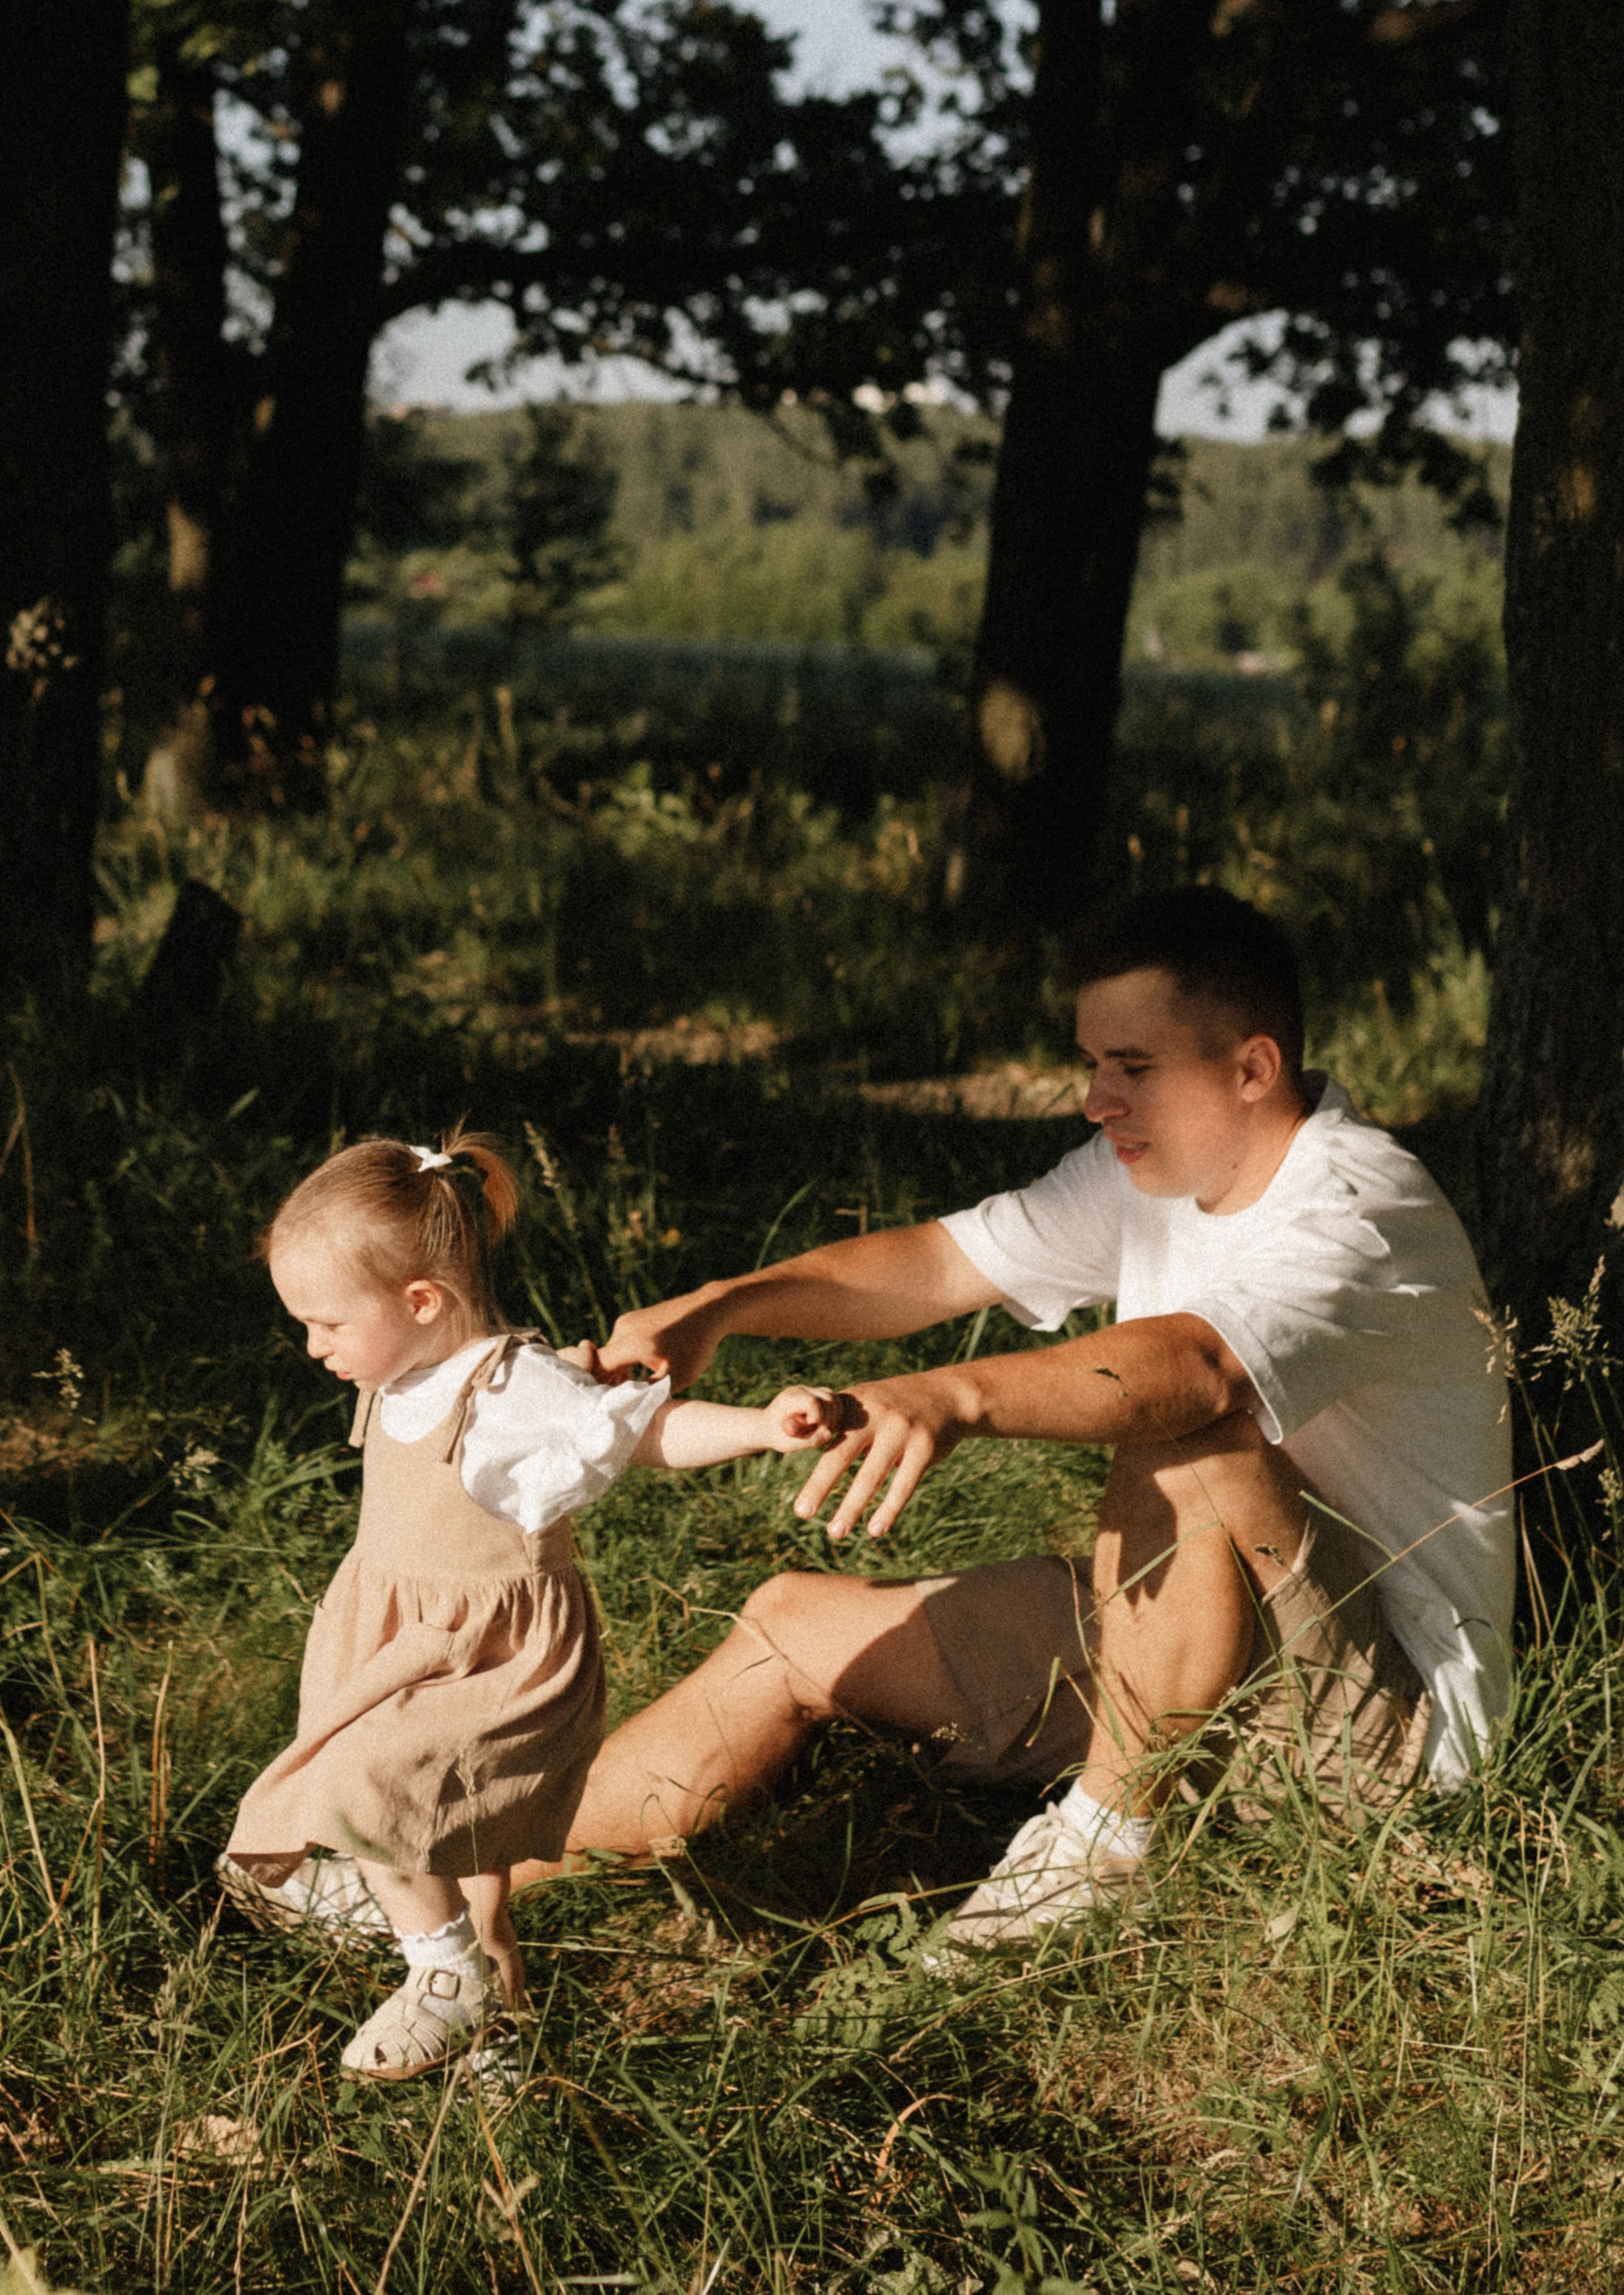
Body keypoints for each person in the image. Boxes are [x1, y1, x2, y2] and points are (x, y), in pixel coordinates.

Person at [549, 887, 1512, 1953]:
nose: (1098, 1101)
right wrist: (719, 1307)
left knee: (1186, 1431)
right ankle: (457, 1881)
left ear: (1252, 1068)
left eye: (1133, 1068)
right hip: (1193, 1649)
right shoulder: (1153, 1173)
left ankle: (1100, 1849)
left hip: (1380, 1732)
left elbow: (1195, 1369)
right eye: (1092, 1064)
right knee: (789, 1624)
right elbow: (936, 1262)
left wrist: (955, 1394)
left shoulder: (1361, 1208)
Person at [218, 1128, 837, 2078]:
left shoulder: (510, 1387)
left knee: (356, 1793)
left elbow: (643, 1434)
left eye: (327, 1324)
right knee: (471, 1879)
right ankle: (500, 2047)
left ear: (421, 1300)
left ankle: (442, 1974)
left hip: (488, 1656)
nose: (313, 1346)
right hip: (396, 1642)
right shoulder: (403, 1372)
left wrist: (762, 1426)